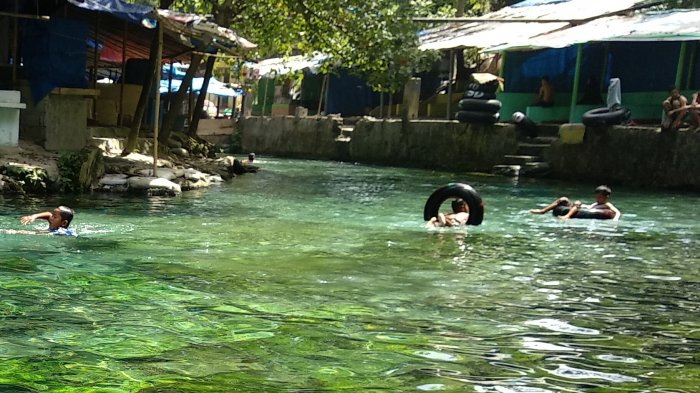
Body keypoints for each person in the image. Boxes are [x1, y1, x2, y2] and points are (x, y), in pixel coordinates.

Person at [529, 185, 621, 221]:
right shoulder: (595, 204)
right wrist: (582, 205)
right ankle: (542, 211)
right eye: (596, 197)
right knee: (563, 199)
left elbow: (617, 212)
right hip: (582, 209)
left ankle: (567, 216)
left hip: (581, 211)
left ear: (606, 197)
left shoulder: (607, 204)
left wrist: (615, 220)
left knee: (577, 203)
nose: (597, 199)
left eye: (600, 197)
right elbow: (589, 207)